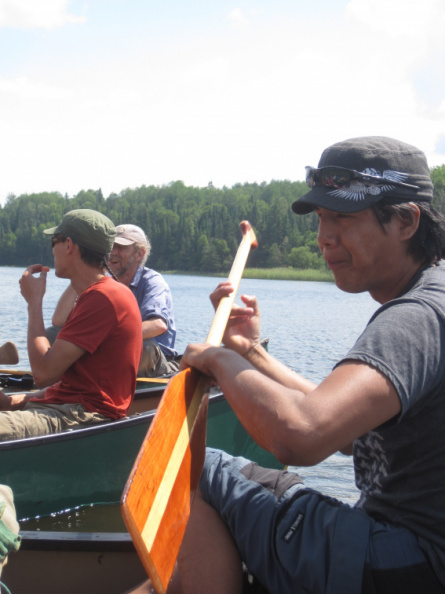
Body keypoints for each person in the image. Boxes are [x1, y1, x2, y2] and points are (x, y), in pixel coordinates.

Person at [167, 137, 445, 593]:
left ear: (406, 221)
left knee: (195, 466)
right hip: (414, 560)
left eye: (343, 217)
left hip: (402, 564)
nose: (324, 238)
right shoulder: (431, 295)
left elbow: (301, 435)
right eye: (321, 218)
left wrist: (216, 359)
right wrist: (250, 353)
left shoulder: (416, 318)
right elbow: (346, 428)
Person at [0, 209, 142, 441]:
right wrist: (16, 400)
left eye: (53, 241)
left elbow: (43, 373)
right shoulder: (101, 294)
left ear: (68, 245)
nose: (52, 249)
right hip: (71, 410)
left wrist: (34, 303)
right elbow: (77, 385)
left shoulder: (103, 298)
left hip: (82, 417)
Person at [48, 224, 179, 378]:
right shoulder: (102, 282)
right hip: (114, 354)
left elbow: (158, 325)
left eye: (121, 247)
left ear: (139, 254)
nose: (113, 253)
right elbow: (59, 321)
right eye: (111, 247)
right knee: (53, 334)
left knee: (143, 346)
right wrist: (79, 274)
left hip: (155, 361)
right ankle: (65, 382)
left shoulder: (153, 282)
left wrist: (107, 338)